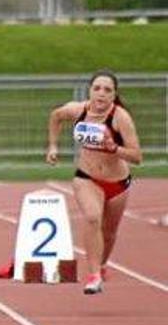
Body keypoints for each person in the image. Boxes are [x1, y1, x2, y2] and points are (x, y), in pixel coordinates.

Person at [46, 69, 141, 295]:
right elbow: (55, 116)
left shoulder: (120, 118)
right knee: (92, 217)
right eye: (97, 88)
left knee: (109, 233)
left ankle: (102, 265)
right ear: (90, 91)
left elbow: (137, 156)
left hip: (118, 183)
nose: (101, 94)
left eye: (107, 90)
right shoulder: (78, 110)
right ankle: (93, 275)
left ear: (114, 95)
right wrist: (52, 146)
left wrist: (115, 148)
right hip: (87, 177)